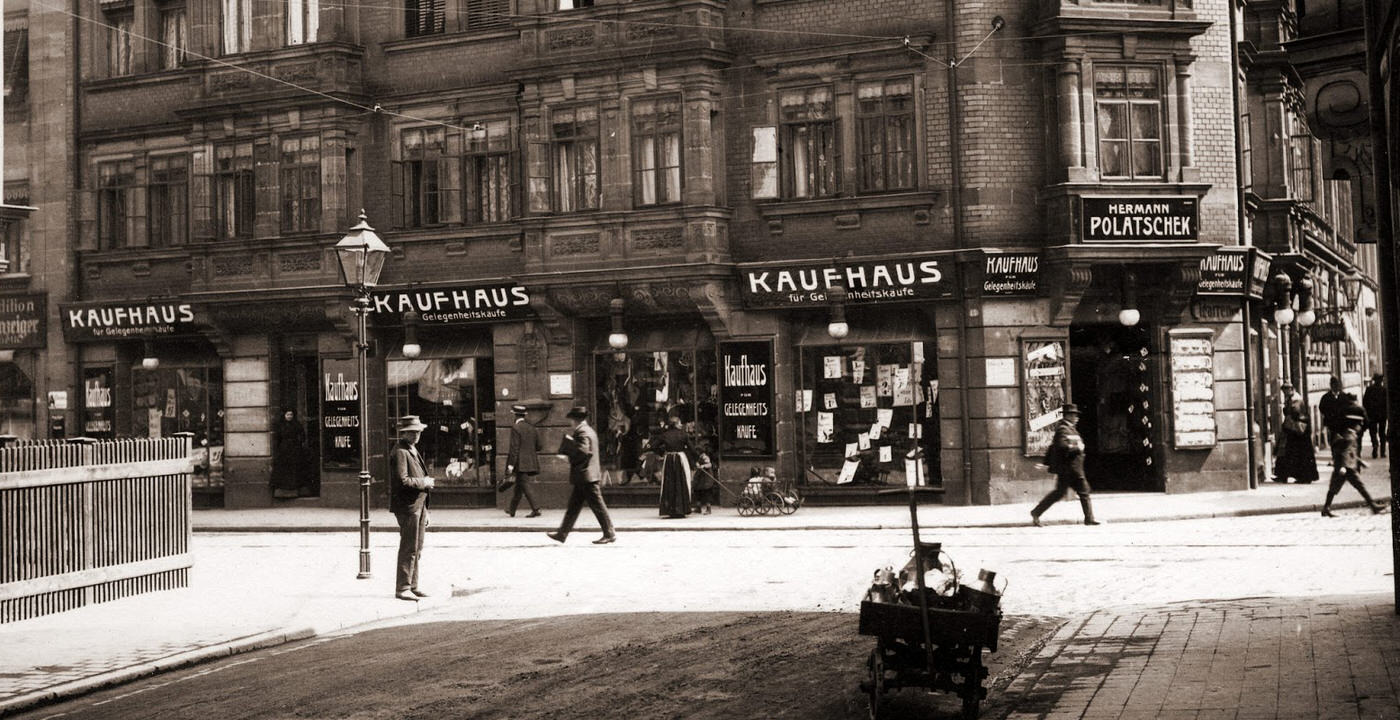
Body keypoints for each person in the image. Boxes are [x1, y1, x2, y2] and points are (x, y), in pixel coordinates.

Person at [547, 406, 616, 545]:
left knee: (597, 505)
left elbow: (583, 451)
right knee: (574, 506)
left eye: (571, 419)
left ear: (575, 420)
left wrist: (568, 457)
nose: (570, 422)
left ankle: (609, 533)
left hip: (586, 476)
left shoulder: (582, 431)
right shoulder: (589, 430)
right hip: (586, 475)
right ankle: (562, 533)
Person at [389, 415, 434, 601]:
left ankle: (413, 585)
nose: (416, 435)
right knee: (409, 547)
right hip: (408, 506)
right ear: (404, 433)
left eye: (418, 432)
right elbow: (403, 480)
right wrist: (424, 482)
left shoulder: (411, 449)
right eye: (412, 432)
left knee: (417, 546)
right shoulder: (400, 451)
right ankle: (403, 587)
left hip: (418, 506)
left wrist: (426, 510)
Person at [1030, 403, 1099, 526]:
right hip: (1070, 468)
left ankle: (1036, 512)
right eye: (1074, 415)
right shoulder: (1063, 429)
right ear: (1068, 416)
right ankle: (1089, 518)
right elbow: (1061, 446)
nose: (1077, 418)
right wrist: (1077, 448)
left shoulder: (1071, 429)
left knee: (1061, 493)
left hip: (1072, 468)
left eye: (1077, 415)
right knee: (1082, 492)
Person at [1322, 398, 1385, 517]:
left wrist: (1360, 462)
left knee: (1336, 488)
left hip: (1345, 467)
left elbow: (1351, 453)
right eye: (1359, 424)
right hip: (1345, 468)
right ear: (1353, 425)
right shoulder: (1349, 436)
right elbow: (1345, 452)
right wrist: (1343, 467)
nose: (1360, 426)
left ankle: (1326, 508)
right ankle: (1372, 506)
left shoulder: (1349, 434)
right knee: (1346, 487)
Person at [1273, 381, 1319, 484]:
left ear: (1291, 389)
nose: (1285, 393)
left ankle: (1302, 476)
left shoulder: (1296, 399)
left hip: (1298, 430)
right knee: (1290, 453)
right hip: (1294, 430)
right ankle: (1285, 475)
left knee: (1298, 454)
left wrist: (1288, 412)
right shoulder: (1291, 398)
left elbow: (1296, 412)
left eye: (1286, 390)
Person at [651, 416, 693, 518]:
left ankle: (670, 510)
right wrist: (697, 459)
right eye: (679, 423)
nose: (681, 424)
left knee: (669, 483)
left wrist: (662, 453)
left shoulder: (664, 435)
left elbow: (653, 446)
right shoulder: (683, 435)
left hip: (669, 459)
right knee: (682, 482)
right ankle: (682, 509)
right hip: (680, 458)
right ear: (675, 424)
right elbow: (692, 448)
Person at [504, 404, 542, 518]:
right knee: (519, 486)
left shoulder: (516, 428)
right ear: (524, 415)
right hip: (530, 462)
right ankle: (512, 509)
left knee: (524, 485)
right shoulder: (532, 427)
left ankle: (536, 509)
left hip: (520, 463)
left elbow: (514, 448)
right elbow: (539, 446)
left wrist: (510, 465)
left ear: (515, 415)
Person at [270, 409, 307, 499]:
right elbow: (277, 438)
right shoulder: (280, 425)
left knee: (294, 468)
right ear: (284, 415)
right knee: (283, 468)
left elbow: (303, 435)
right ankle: (282, 491)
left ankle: (294, 490)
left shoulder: (297, 424)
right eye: (288, 415)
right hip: (284, 450)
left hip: (294, 449)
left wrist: (298, 442)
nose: (289, 416)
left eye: (291, 415)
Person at [1318, 376, 1356, 441]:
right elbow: (1321, 408)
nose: (1336, 387)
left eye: (1337, 385)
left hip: (1342, 424)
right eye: (1334, 385)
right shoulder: (1326, 397)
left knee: (1342, 443)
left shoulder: (1344, 396)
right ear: (1331, 386)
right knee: (1333, 442)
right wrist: (1329, 414)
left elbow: (1349, 408)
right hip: (1331, 424)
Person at [1363, 373, 1388, 459]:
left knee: (1373, 432)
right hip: (1382, 415)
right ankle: (1383, 452)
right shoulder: (1384, 390)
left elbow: (1365, 402)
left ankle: (1375, 445)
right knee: (1382, 433)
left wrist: (1367, 412)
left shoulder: (1369, 389)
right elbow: (1387, 404)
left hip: (1372, 415)